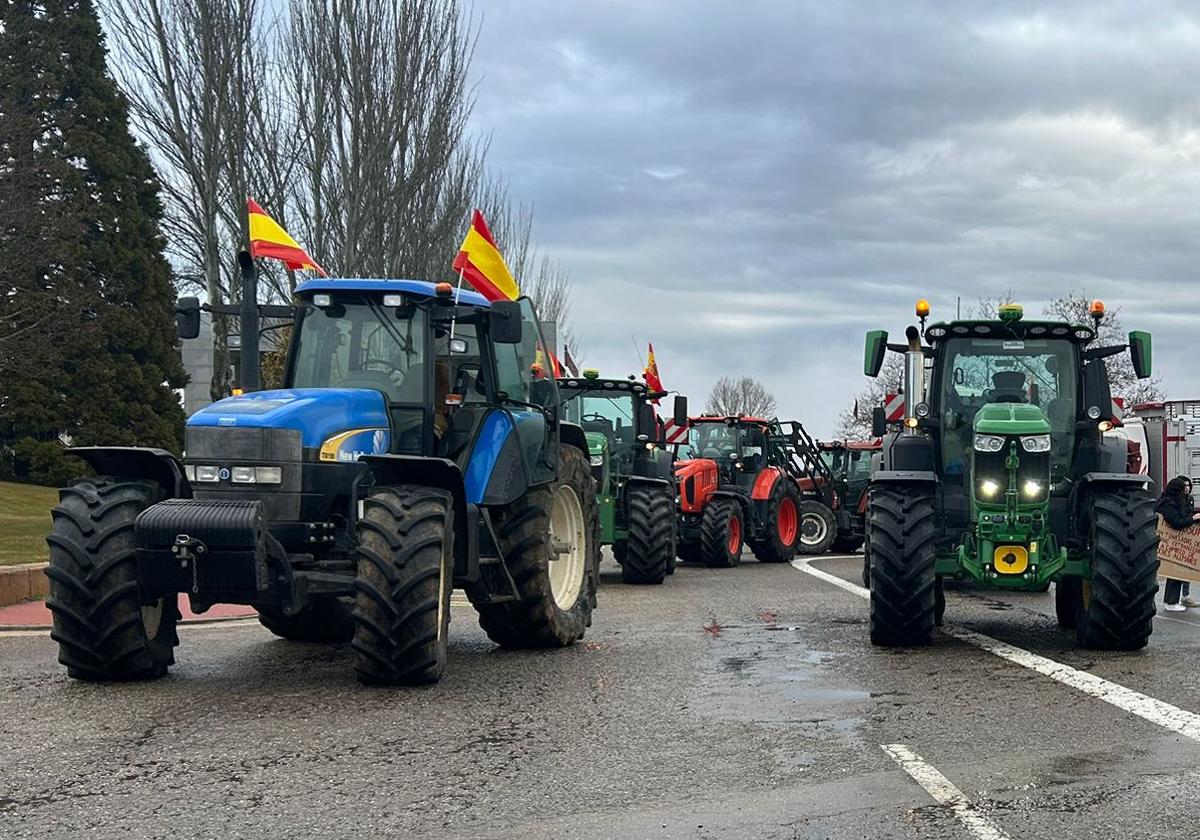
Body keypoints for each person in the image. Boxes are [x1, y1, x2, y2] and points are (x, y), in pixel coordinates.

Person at [1158, 476, 1200, 611]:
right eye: (1183, 487)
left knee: (1182, 570)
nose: (1186, 489)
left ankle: (1182, 597)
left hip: (1180, 542)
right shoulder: (1168, 503)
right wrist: (1192, 519)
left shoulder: (1183, 500)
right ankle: (1171, 602)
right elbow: (1176, 522)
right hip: (1170, 543)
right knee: (1174, 572)